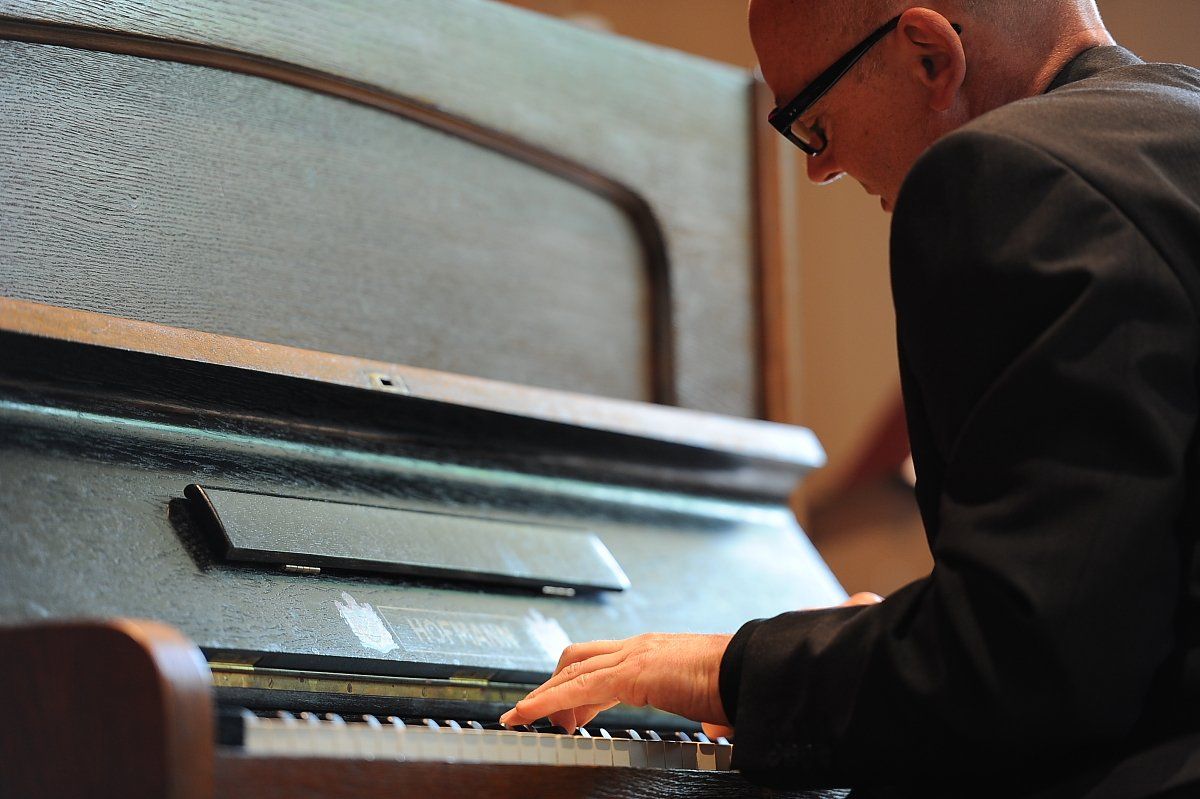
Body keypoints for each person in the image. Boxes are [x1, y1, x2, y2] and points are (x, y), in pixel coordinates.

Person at [501, 1, 1200, 795]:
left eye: (811, 121)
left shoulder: (1015, 174)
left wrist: (728, 671)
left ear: (929, 54)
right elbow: (1119, 596)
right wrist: (891, 636)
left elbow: (1023, 665)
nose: (819, 167)